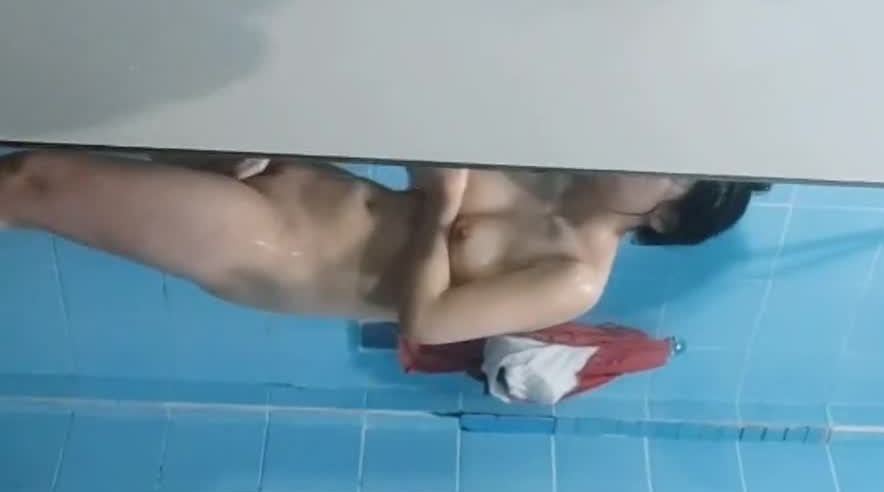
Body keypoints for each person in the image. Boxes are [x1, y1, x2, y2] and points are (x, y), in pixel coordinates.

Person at [0, 151, 769, 343]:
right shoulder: (555, 167)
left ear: (665, 218)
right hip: (298, 174)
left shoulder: (575, 280)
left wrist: (439, 206)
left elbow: (426, 324)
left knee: (32, 183)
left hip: (278, 250)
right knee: (45, 156)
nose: (649, 153)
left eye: (673, 170)